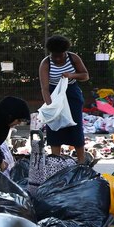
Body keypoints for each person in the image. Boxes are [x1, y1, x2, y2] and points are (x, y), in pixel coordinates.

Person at [39, 35, 90, 163]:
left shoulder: (73, 58)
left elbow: (85, 76)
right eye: (54, 55)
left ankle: (81, 162)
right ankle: (56, 162)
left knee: (75, 126)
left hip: (72, 93)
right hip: (53, 94)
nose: (57, 58)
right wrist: (51, 107)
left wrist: (71, 75)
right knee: (54, 127)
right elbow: (44, 88)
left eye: (60, 55)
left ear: (65, 52)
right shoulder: (46, 63)